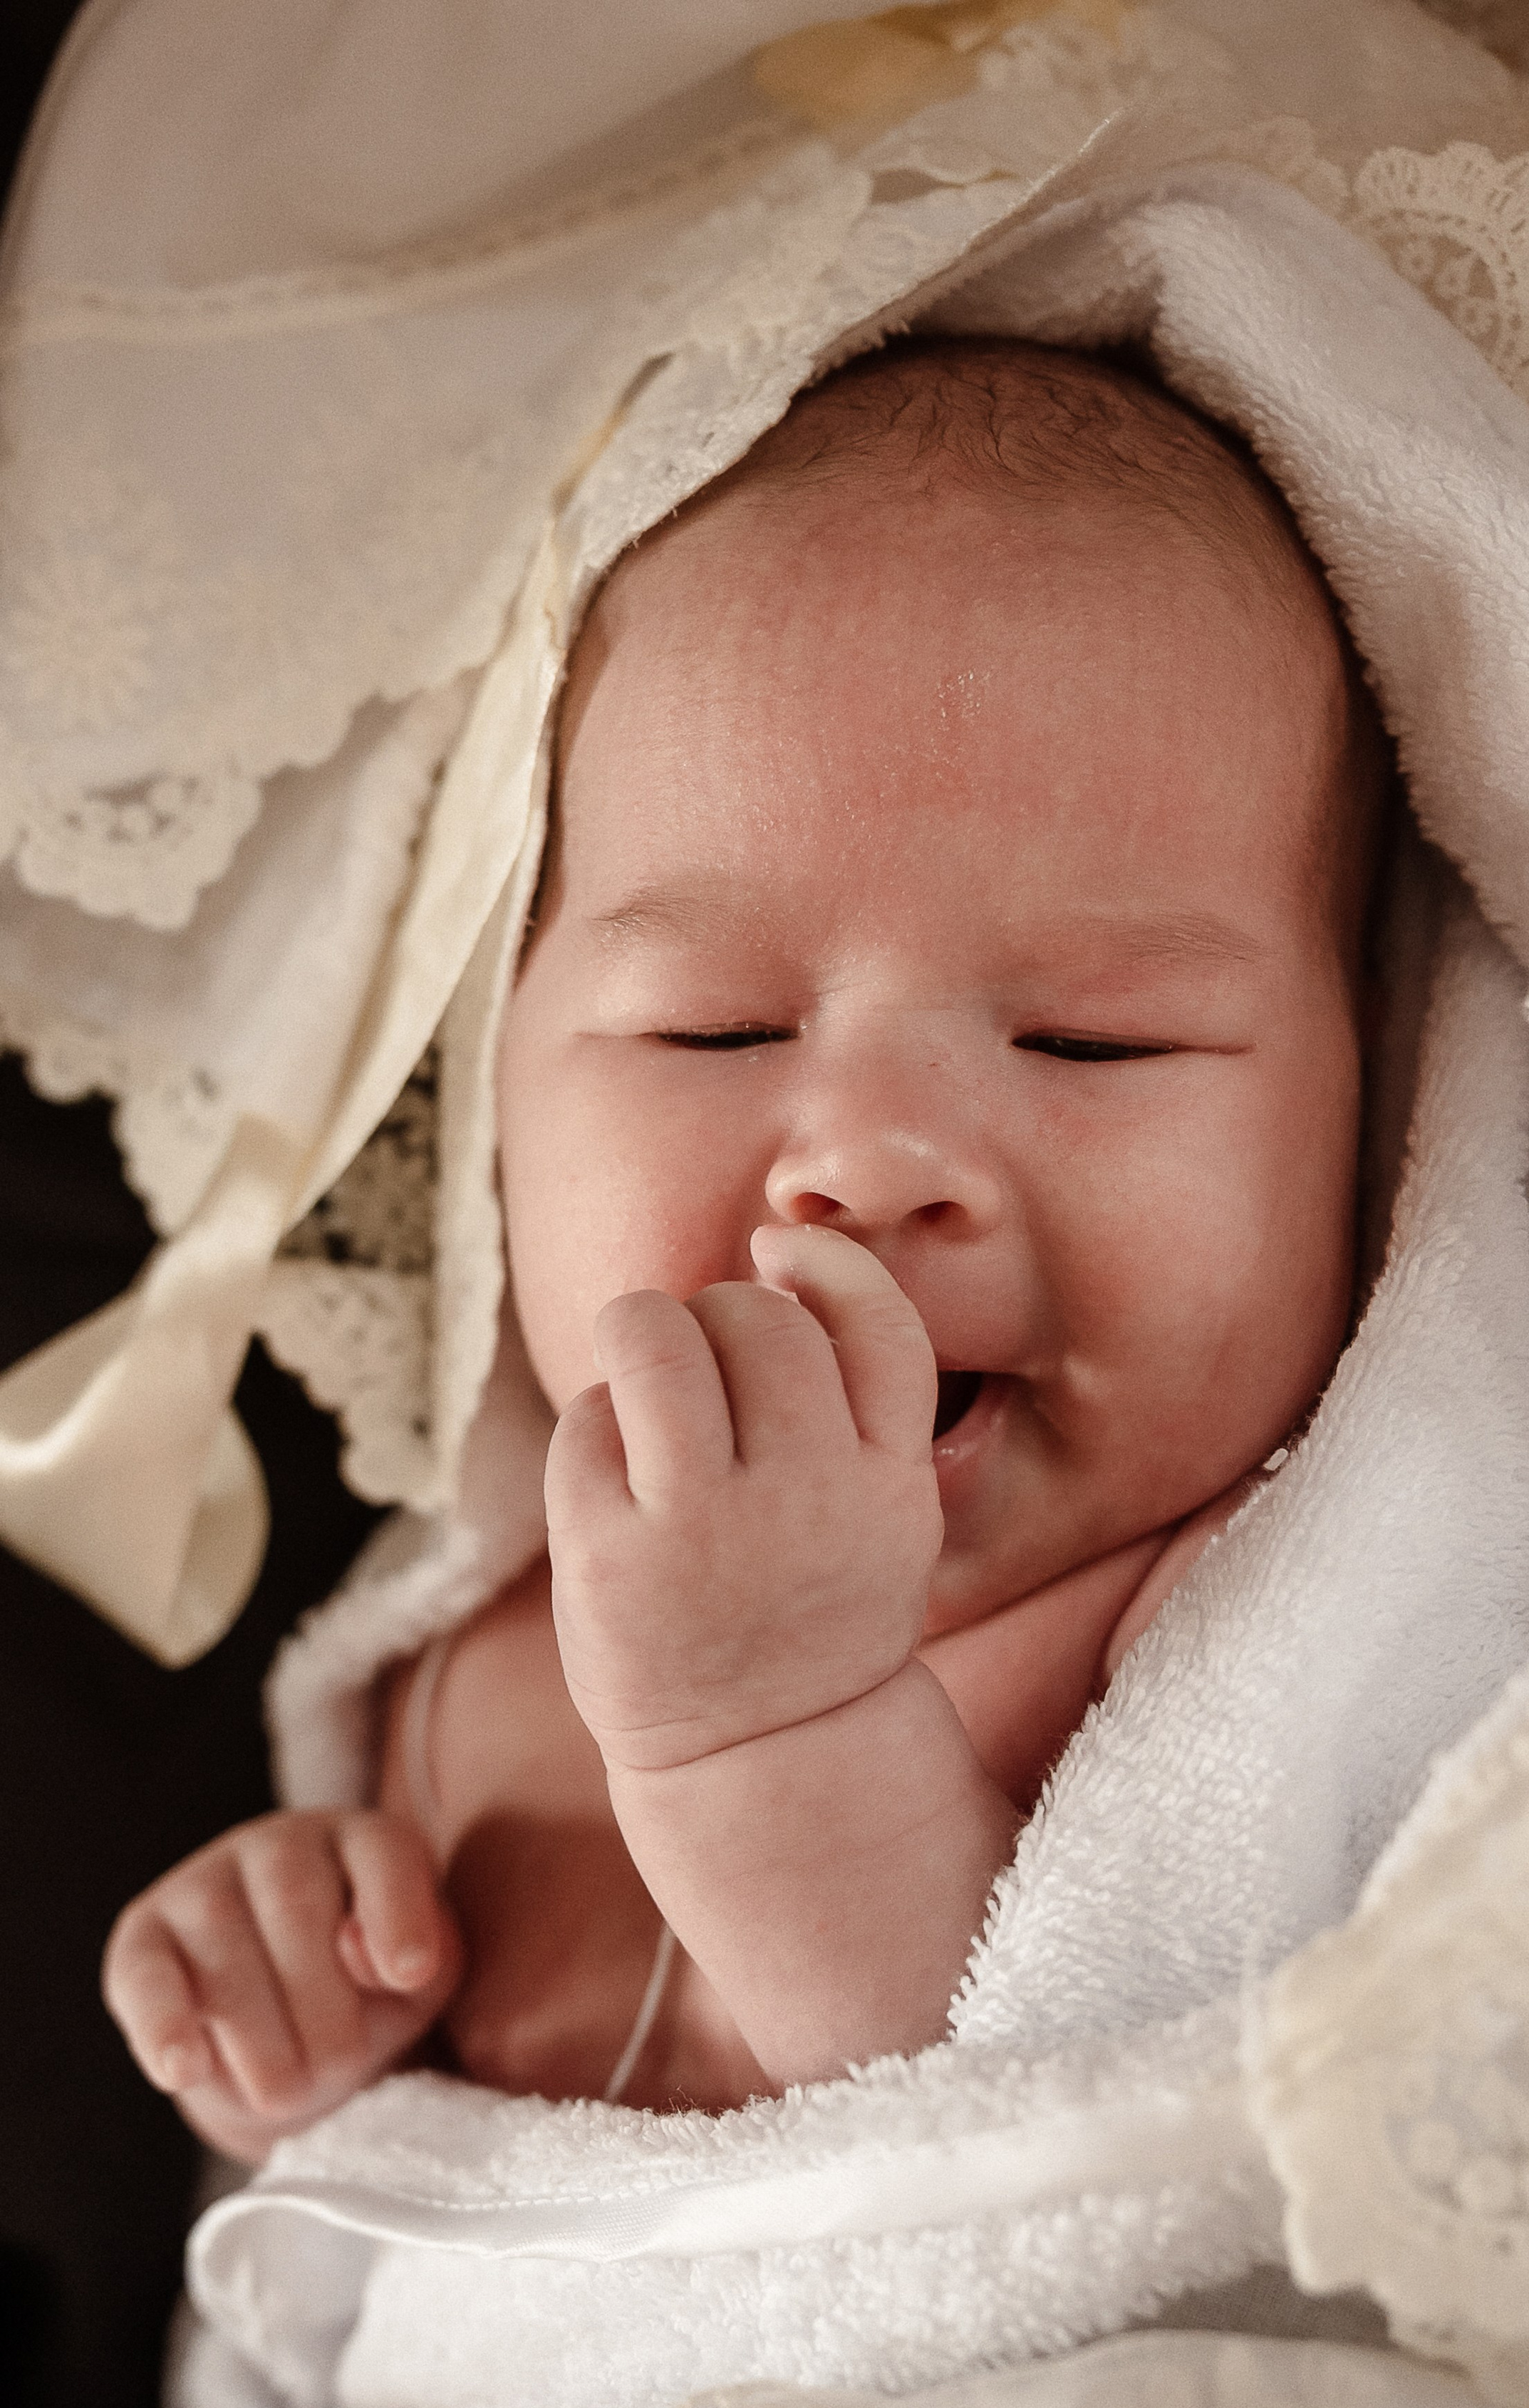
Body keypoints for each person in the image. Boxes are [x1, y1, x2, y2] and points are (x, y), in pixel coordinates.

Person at [103, 339, 1386, 2154]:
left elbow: (1026, 2161)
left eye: (1093, 1039)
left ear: (1375, 1099)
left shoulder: (1241, 1626)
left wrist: (767, 1730)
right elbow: (414, 2219)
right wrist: (300, 2027)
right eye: (714, 1027)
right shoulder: (472, 1610)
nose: (869, 1166)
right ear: (487, 1120)